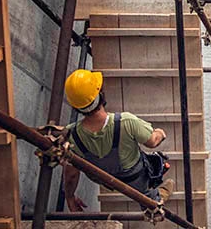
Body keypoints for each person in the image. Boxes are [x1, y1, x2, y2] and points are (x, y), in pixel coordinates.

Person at [61, 69, 173, 211]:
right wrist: (160, 133)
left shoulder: (71, 135)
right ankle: (155, 200)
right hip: (134, 178)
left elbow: (71, 175)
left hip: (105, 180)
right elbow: (152, 142)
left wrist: (70, 198)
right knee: (147, 177)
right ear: (100, 94)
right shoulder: (126, 122)